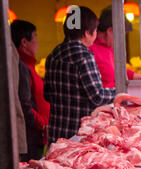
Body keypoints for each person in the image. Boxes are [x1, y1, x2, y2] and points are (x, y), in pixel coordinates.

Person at [44, 6, 116, 144]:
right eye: (95, 30)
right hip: (77, 135)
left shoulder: (53, 54)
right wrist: (121, 92)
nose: (95, 35)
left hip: (56, 133)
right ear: (87, 33)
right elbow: (98, 97)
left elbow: (47, 94)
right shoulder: (84, 56)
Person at [11, 20, 50, 161]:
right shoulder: (22, 67)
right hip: (30, 137)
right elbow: (23, 104)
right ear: (24, 42)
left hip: (36, 136)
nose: (38, 42)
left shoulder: (28, 66)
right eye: (35, 37)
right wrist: (42, 124)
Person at [89, 6, 141, 88]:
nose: (121, 40)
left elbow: (116, 69)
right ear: (110, 31)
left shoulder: (108, 48)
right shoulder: (90, 49)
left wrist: (134, 76)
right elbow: (95, 87)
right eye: (121, 35)